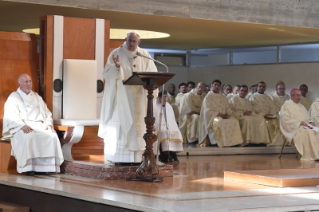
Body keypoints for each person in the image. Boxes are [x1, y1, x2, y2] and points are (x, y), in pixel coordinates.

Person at [98, 31, 158, 163]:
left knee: (140, 124)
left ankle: (139, 159)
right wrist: (117, 67)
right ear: (125, 39)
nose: (131, 43)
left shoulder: (144, 55)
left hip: (141, 96)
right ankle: (121, 158)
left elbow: (153, 73)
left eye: (134, 41)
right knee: (123, 122)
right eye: (129, 40)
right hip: (123, 97)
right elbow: (107, 74)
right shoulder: (116, 53)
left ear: (139, 42)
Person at [2, 74, 64, 175]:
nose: (29, 84)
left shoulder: (36, 96)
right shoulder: (14, 97)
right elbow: (11, 114)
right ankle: (30, 168)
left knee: (52, 136)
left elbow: (47, 112)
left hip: (39, 124)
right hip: (22, 125)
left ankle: (46, 168)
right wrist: (21, 125)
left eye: (30, 81)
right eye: (26, 82)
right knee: (29, 137)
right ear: (19, 84)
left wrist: (48, 124)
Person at [198, 80, 243, 147]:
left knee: (235, 121)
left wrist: (229, 114)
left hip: (224, 115)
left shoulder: (223, 97)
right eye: (215, 84)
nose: (217, 86)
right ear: (212, 86)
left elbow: (227, 108)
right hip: (213, 117)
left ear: (220, 87)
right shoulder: (208, 97)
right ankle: (220, 142)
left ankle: (234, 142)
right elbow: (207, 111)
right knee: (220, 122)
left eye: (218, 85)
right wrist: (220, 114)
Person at [280, 88, 319, 161]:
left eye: (300, 95)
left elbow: (307, 117)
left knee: (317, 130)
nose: (299, 97)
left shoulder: (302, 106)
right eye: (297, 95)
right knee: (308, 132)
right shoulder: (286, 106)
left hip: (305, 126)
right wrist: (299, 123)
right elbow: (285, 120)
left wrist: (311, 122)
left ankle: (317, 153)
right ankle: (313, 155)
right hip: (295, 128)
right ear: (292, 96)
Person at [250, 81, 284, 146]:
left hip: (269, 115)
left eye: (263, 87)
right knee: (266, 122)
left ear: (265, 89)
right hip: (259, 116)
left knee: (277, 120)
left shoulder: (268, 98)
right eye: (260, 86)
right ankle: (265, 141)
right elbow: (253, 109)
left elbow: (272, 107)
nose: (261, 88)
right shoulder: (253, 97)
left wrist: (272, 114)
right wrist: (263, 115)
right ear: (257, 87)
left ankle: (276, 141)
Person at [153, 91, 183, 162]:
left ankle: (173, 153)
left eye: (166, 97)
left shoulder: (169, 106)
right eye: (164, 97)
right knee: (165, 132)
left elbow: (172, 119)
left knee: (176, 131)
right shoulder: (155, 105)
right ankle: (166, 152)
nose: (165, 98)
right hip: (159, 125)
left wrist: (172, 125)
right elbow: (154, 117)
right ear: (160, 98)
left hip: (169, 125)